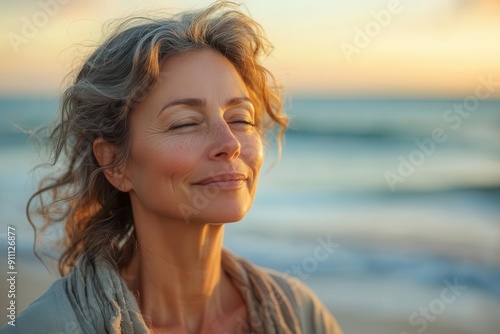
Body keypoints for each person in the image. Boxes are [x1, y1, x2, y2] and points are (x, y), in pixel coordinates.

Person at [0, 2, 343, 333]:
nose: (231, 143)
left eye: (241, 119)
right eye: (185, 123)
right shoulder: (49, 327)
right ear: (114, 163)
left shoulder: (299, 314)